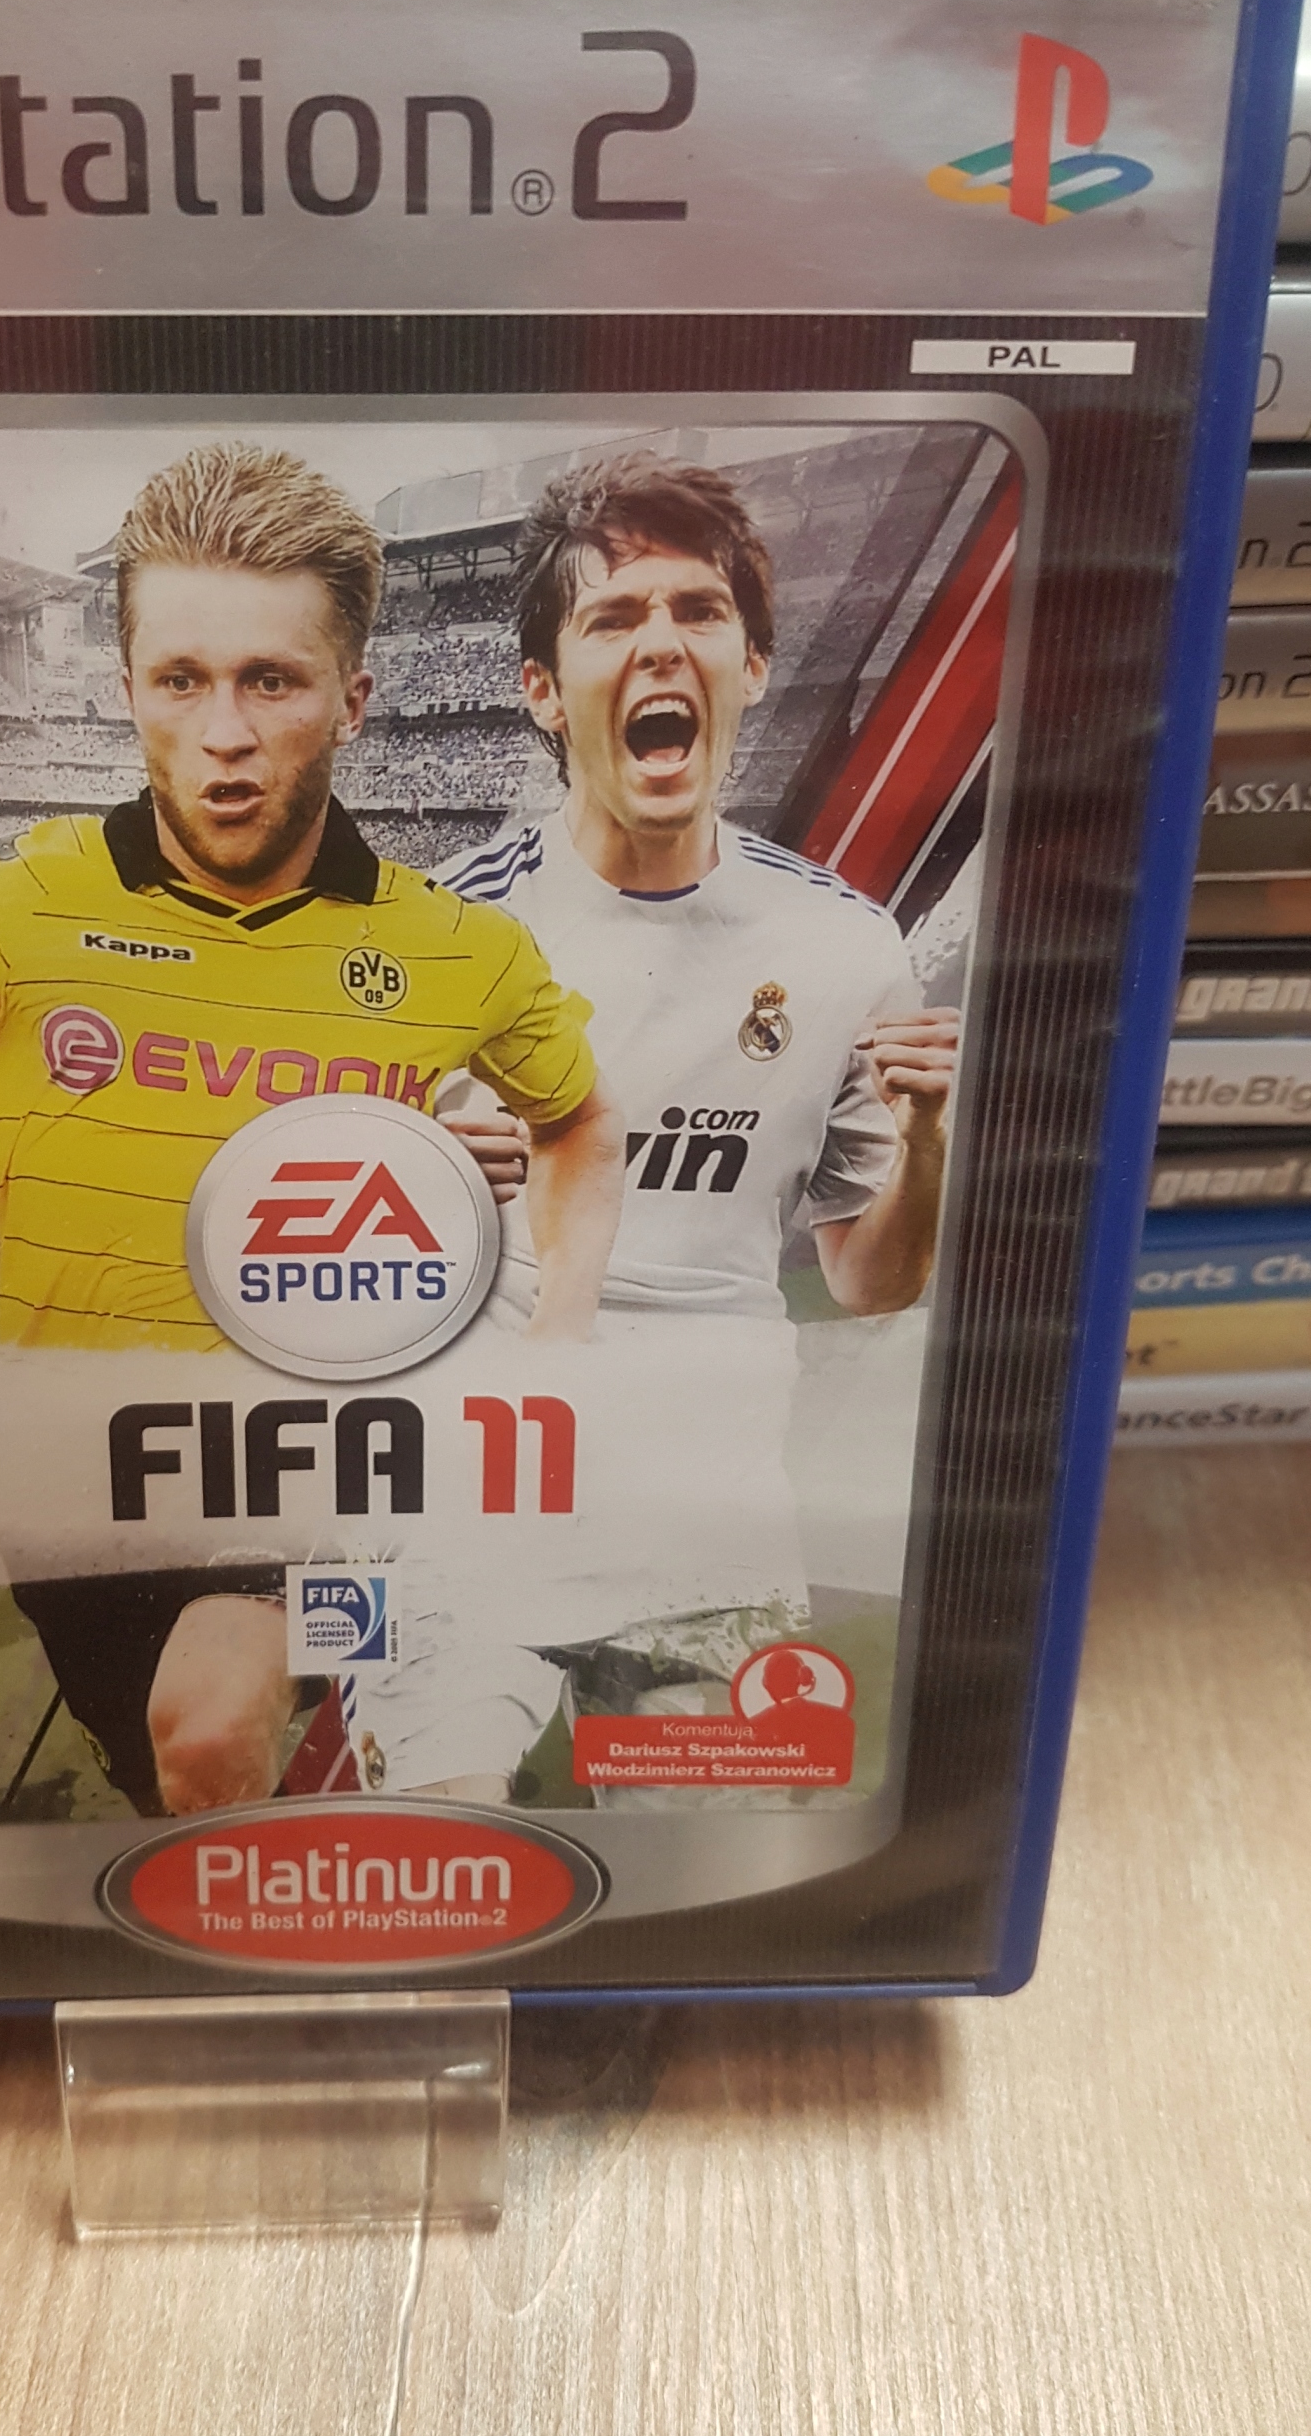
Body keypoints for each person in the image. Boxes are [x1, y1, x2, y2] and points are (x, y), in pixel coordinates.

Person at [0, 441, 623, 1816]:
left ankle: (349, 1900)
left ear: (353, 700)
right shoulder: (1, 913)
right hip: (77, 1489)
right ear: (127, 688)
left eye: (272, 680)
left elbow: (582, 1118)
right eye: (181, 679)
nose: (224, 730)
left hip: (328, 1467)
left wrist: (558, 1336)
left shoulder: (460, 951)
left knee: (207, 1722)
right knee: (170, 1771)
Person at [347, 449, 961, 1801]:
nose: (662, 643)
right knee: (436, 1847)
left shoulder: (846, 946)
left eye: (699, 611)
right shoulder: (440, 938)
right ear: (542, 689)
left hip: (707, 1512)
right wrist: (420, 1176)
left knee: (704, 1861)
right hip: (472, 1489)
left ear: (752, 665)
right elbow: (326, 1271)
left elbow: (872, 1283)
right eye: (614, 617)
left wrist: (923, 1142)